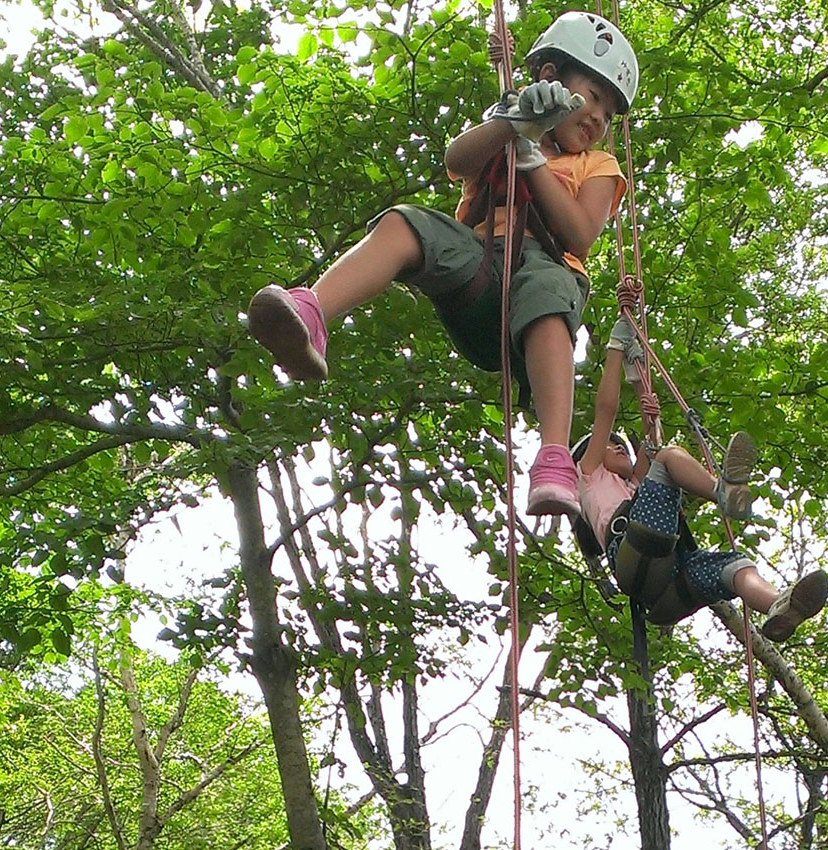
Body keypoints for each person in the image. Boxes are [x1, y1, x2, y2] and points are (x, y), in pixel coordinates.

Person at [245, 12, 640, 518]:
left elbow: (579, 236)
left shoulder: (598, 166)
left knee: (547, 288)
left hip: (541, 287)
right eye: (593, 95)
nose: (598, 118)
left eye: (608, 113)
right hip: (479, 273)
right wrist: (514, 125)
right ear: (551, 78)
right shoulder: (512, 118)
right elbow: (458, 160)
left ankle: (555, 456)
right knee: (406, 223)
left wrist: (532, 161)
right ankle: (312, 313)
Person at [572, 316, 828, 635]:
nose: (617, 446)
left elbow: (651, 431)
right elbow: (606, 411)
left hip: (665, 577)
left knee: (735, 565)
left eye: (620, 443)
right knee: (668, 457)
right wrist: (614, 350)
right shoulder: (588, 474)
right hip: (631, 551)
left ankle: (778, 605)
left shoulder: (635, 487)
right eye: (610, 445)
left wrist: (636, 369)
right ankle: (722, 493)